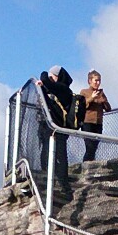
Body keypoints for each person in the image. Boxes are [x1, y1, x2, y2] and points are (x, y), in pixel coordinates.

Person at [36, 66, 80, 199]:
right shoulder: (55, 89)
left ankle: (64, 187)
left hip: (58, 129)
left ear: (58, 77)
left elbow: (44, 78)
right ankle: (48, 178)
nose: (50, 79)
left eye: (52, 76)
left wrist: (45, 77)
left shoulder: (63, 88)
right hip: (49, 127)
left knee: (60, 156)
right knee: (47, 152)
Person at [78, 70, 112, 162]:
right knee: (89, 147)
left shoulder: (101, 93)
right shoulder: (84, 92)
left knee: (94, 147)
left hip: (98, 123)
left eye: (99, 81)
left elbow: (108, 108)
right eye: (96, 80)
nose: (98, 83)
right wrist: (91, 98)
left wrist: (103, 100)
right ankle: (86, 165)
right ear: (90, 81)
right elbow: (81, 105)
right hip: (87, 122)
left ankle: (91, 164)